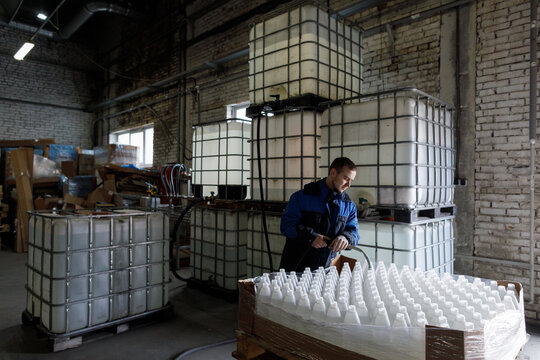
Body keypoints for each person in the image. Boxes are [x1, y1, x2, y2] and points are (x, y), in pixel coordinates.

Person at [279, 157, 359, 272]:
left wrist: (346, 237)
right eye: (346, 178)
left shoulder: (349, 206)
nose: (348, 185)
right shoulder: (301, 197)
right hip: (295, 266)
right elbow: (286, 226)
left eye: (351, 180)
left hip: (325, 268)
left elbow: (354, 233)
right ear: (333, 172)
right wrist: (310, 237)